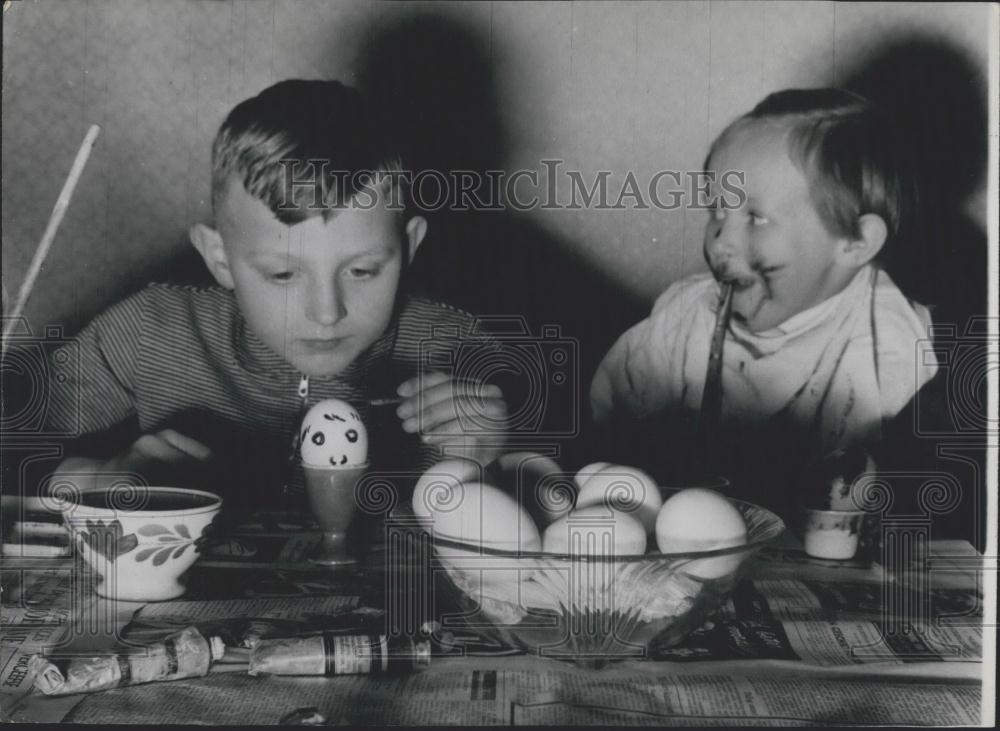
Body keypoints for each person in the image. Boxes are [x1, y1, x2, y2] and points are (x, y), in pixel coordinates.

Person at [42, 79, 508, 514]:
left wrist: (487, 464)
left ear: (407, 249)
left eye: (363, 270)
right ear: (221, 260)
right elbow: (14, 444)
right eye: (283, 274)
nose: (326, 313)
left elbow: (562, 497)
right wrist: (91, 475)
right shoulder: (149, 331)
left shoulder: (462, 351)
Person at [589, 88, 938, 519]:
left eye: (755, 217)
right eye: (717, 209)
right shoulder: (683, 319)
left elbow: (907, 495)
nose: (721, 238)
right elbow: (602, 435)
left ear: (855, 243)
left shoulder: (892, 342)